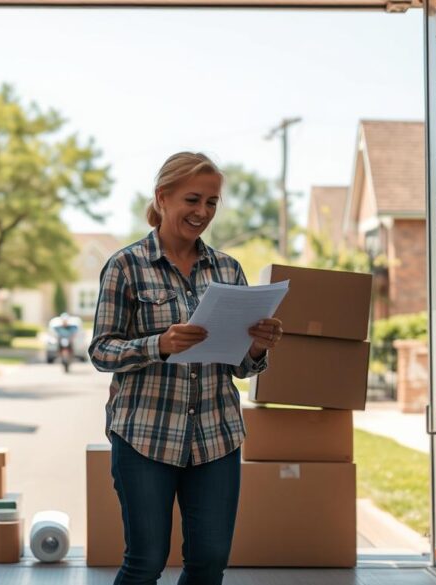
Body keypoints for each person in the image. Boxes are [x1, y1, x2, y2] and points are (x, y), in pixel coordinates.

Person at [88, 152, 284, 585]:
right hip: (144, 436)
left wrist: (255, 348)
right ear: (162, 197)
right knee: (145, 562)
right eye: (192, 200)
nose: (202, 212)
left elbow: (241, 368)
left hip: (216, 436)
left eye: (212, 202)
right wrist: (159, 344)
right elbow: (101, 351)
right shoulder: (125, 266)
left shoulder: (228, 269)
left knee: (210, 560)